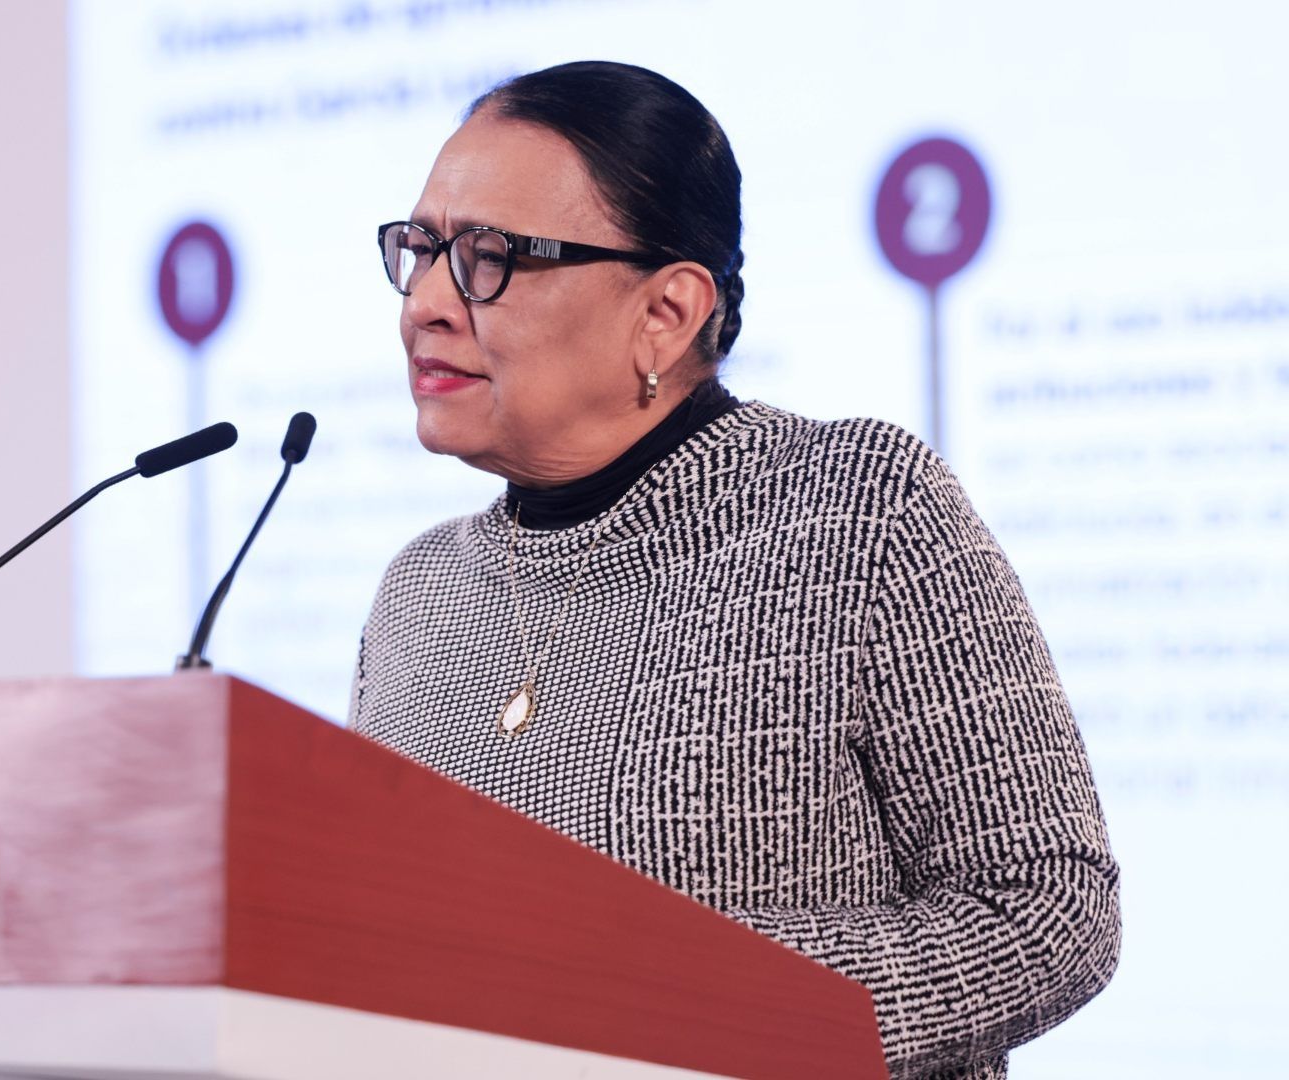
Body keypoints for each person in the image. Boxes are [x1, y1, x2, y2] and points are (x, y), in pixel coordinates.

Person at [348, 61, 1119, 1080]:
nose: (428, 306)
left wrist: (688, 1004)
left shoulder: (857, 507)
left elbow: (1048, 904)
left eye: (490, 257)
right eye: (421, 250)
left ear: (666, 313)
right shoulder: (419, 594)